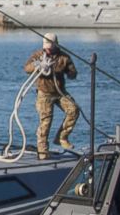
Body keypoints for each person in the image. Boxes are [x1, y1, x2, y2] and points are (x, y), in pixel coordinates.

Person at [23, 32, 79, 160]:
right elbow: (26, 68)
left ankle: (62, 137)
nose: (47, 48)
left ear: (55, 45)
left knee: (74, 110)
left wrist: (71, 73)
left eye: (50, 46)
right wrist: (38, 65)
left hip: (59, 92)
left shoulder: (64, 58)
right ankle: (42, 151)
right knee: (46, 122)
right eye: (45, 45)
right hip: (44, 93)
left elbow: (73, 73)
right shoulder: (38, 55)